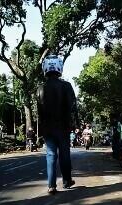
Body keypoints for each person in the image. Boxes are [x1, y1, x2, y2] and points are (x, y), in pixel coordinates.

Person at [37, 54, 77, 194]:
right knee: (64, 154)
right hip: (63, 126)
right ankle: (67, 181)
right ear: (59, 67)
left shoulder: (41, 88)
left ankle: (51, 185)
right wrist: (74, 123)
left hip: (48, 128)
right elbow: (73, 107)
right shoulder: (66, 85)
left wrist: (41, 129)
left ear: (45, 68)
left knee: (50, 154)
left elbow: (39, 111)